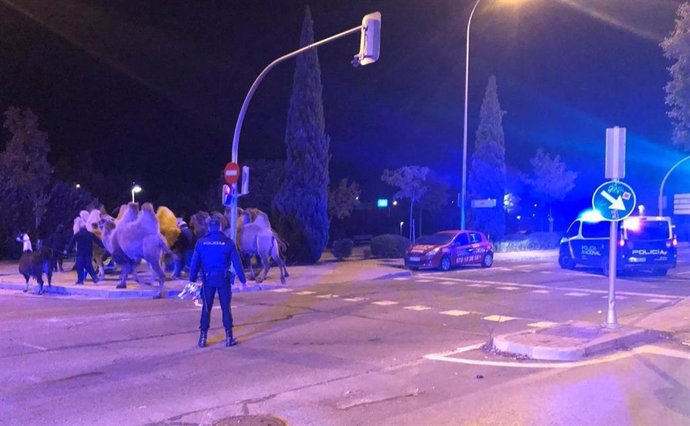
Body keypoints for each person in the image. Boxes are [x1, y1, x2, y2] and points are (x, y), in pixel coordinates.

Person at [189, 217, 246, 348]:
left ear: (209, 228)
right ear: (220, 227)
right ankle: (228, 338)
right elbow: (237, 263)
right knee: (226, 308)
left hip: (207, 280)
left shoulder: (201, 243)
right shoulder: (227, 242)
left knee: (206, 308)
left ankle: (203, 338)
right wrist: (243, 280)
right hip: (223, 280)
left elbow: (194, 263)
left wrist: (192, 279)